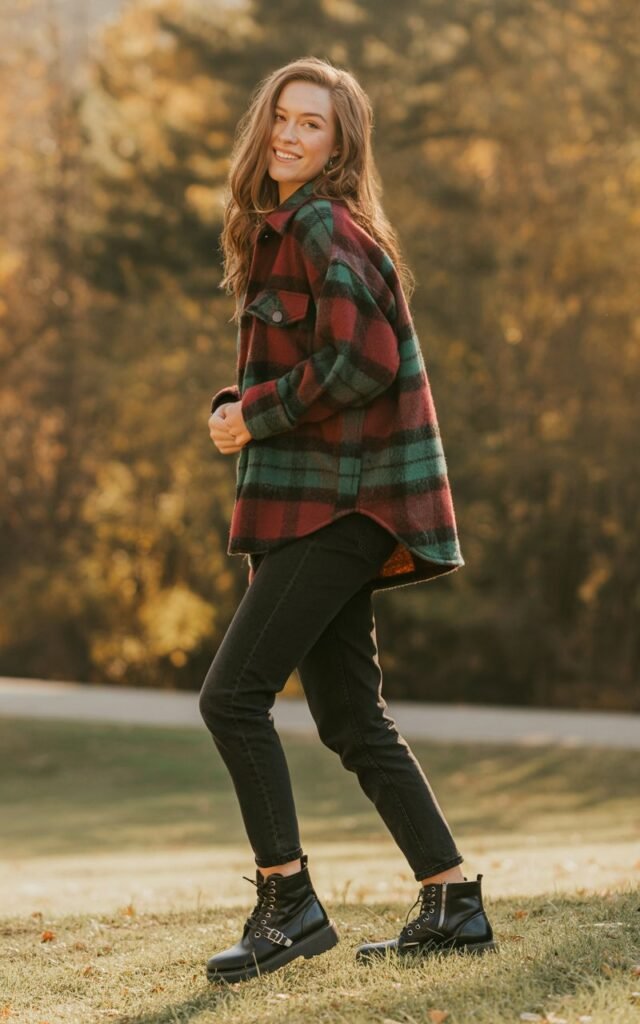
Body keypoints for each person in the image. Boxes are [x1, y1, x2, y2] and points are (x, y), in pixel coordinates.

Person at [200, 56, 497, 985]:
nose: (289, 134)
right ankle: (453, 901)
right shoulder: (286, 230)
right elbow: (321, 358)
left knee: (232, 697)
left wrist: (259, 411)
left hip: (343, 502)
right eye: (282, 118)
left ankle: (289, 906)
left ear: (340, 145)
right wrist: (241, 406)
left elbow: (361, 359)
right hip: (321, 499)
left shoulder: (324, 220)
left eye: (312, 125)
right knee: (349, 716)